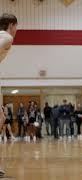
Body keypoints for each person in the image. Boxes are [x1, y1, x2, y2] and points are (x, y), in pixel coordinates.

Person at [0, 13, 18, 178]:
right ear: (11, 25)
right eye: (16, 26)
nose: (16, 30)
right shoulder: (7, 37)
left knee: (1, 118)